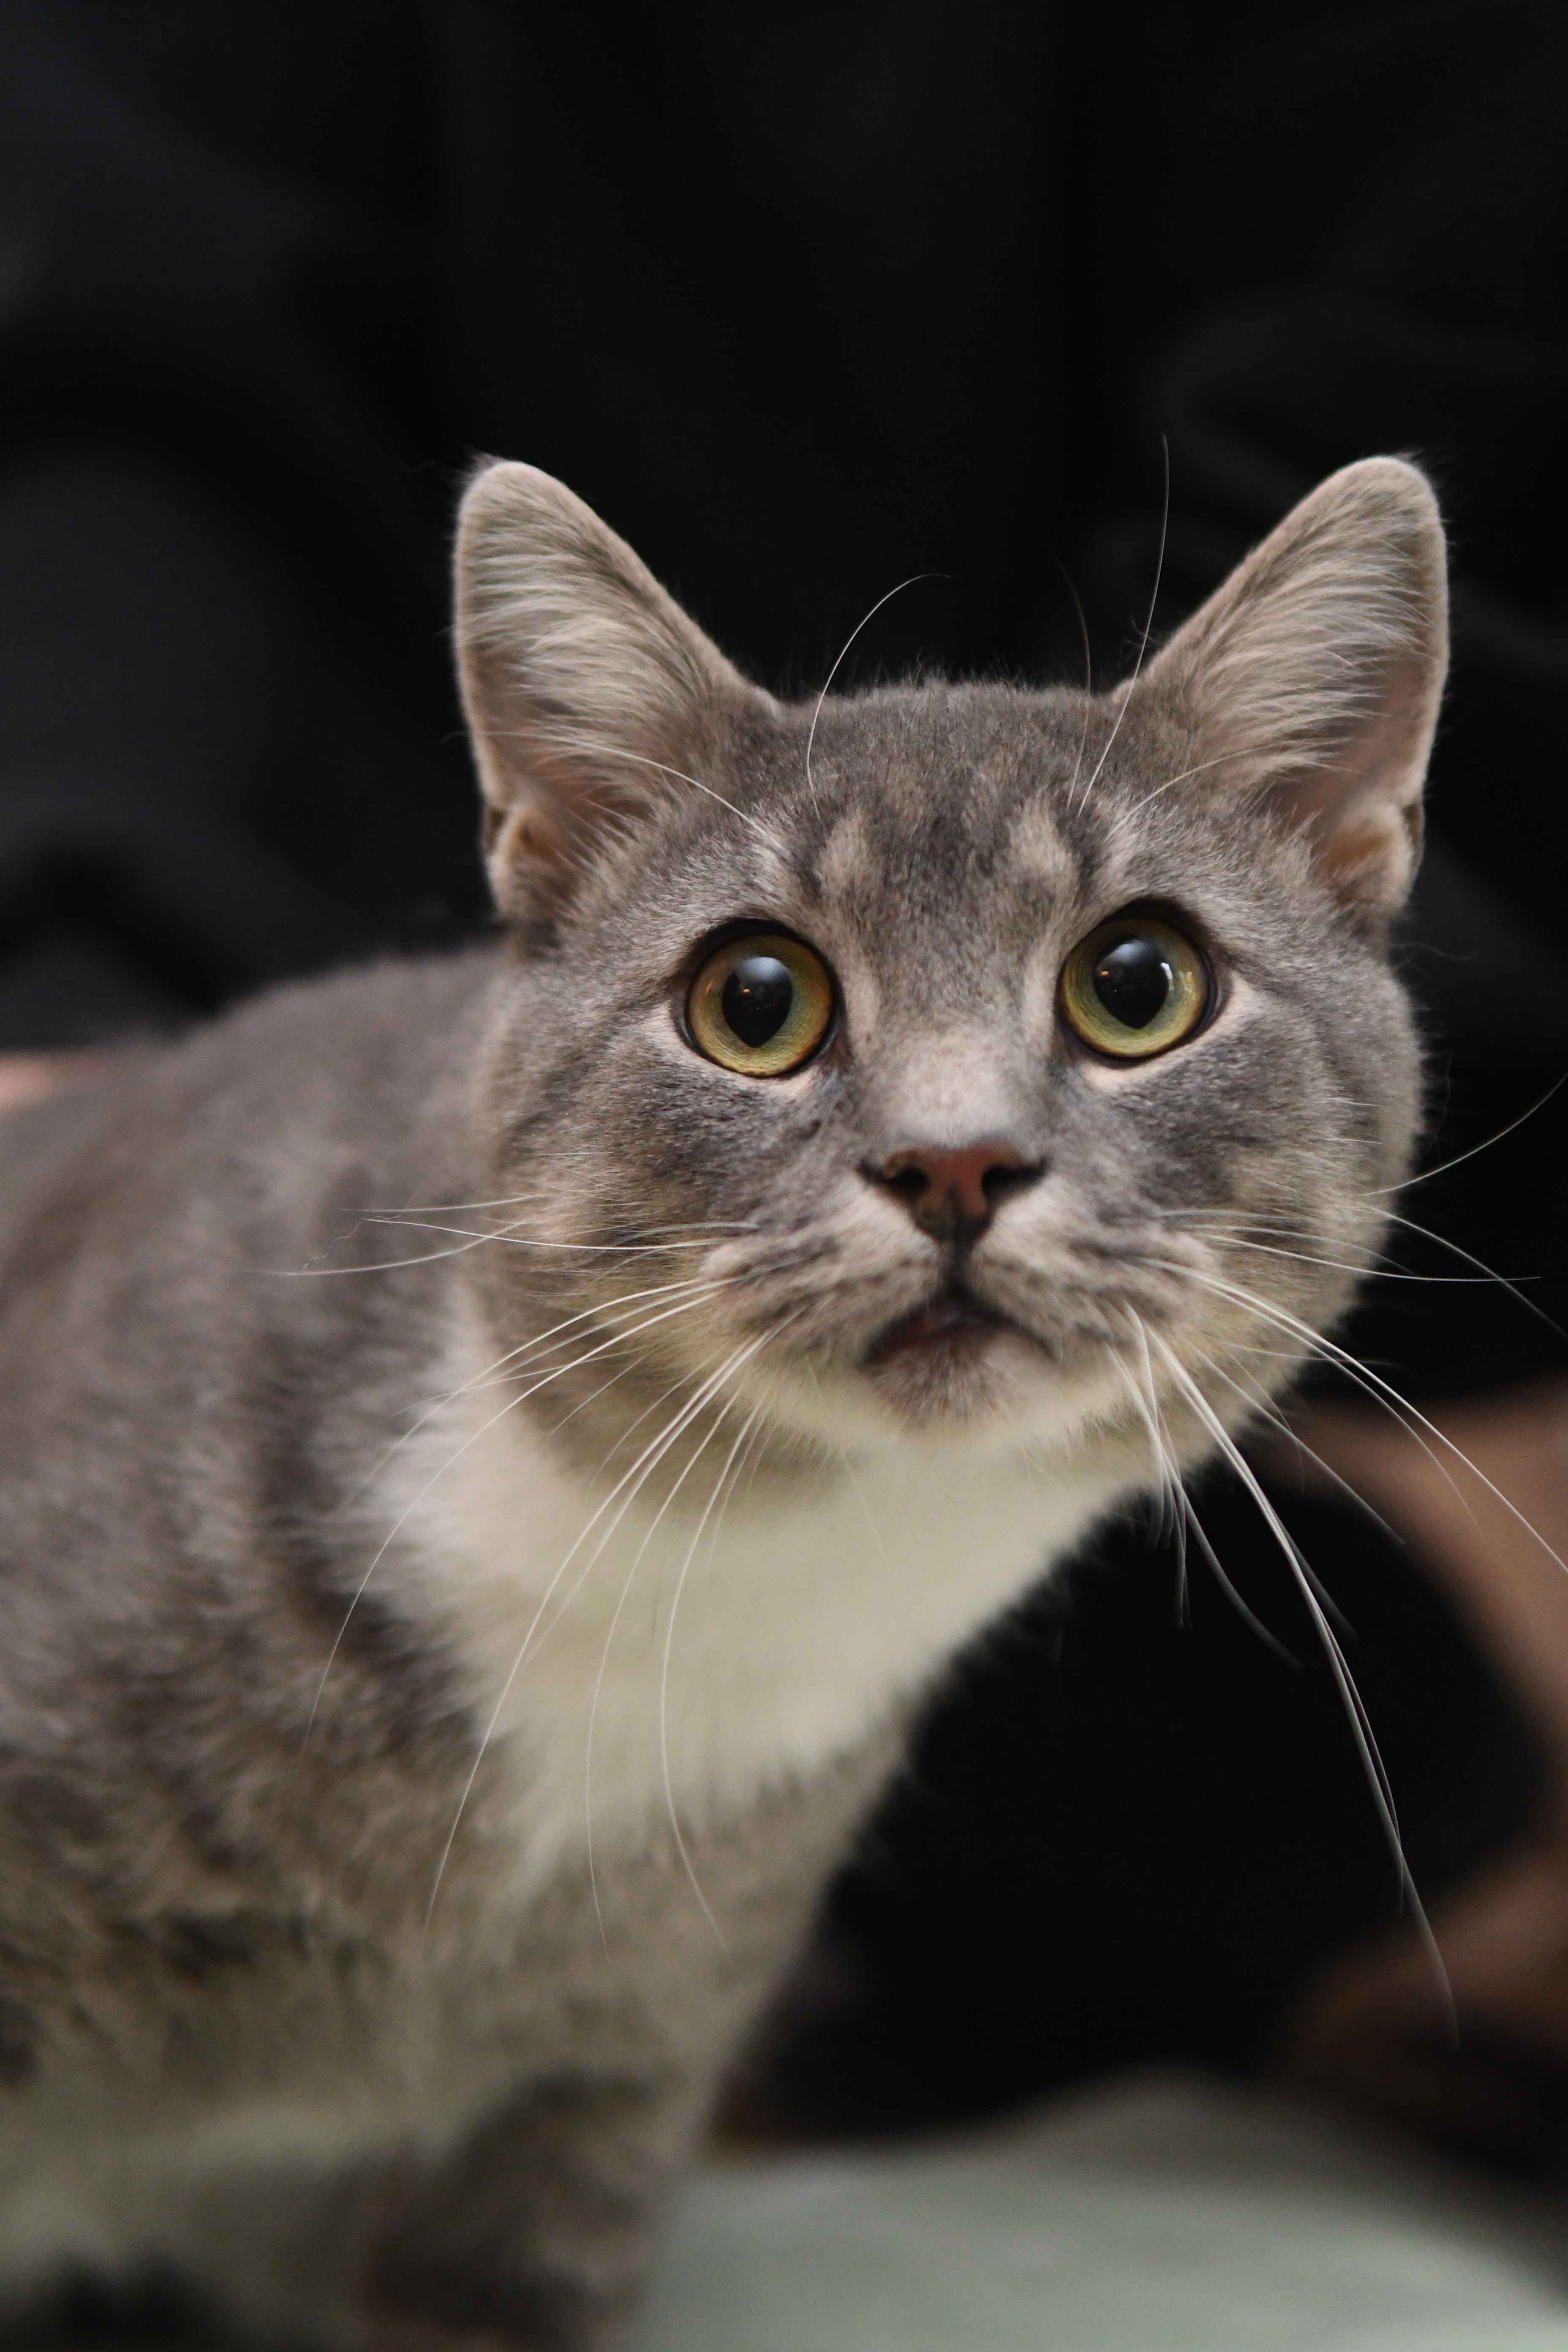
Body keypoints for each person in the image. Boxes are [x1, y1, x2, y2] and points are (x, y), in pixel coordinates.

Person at [4, 0, 1568, 2165]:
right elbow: (147, 299)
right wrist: (68, 998)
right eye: (764, 1005)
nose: (953, 1145)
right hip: (416, 1107)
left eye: (1129, 988)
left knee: (1254, 1779)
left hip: (1244, 1299)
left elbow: (1442, 356)